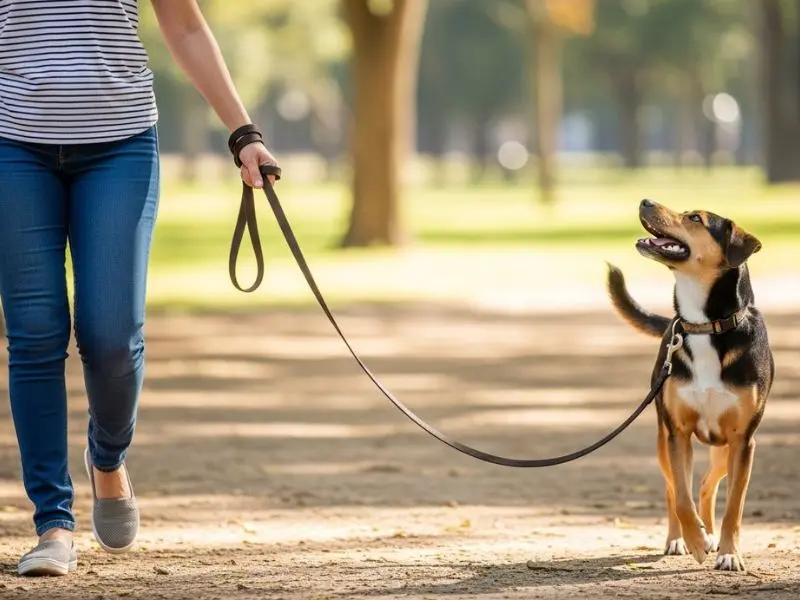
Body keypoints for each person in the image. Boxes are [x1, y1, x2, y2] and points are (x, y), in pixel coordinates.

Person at [0, 0, 278, 576]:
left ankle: (107, 457)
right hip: (12, 143)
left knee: (110, 335)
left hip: (118, 145)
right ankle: (53, 522)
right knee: (34, 334)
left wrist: (242, 130)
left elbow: (184, 24)